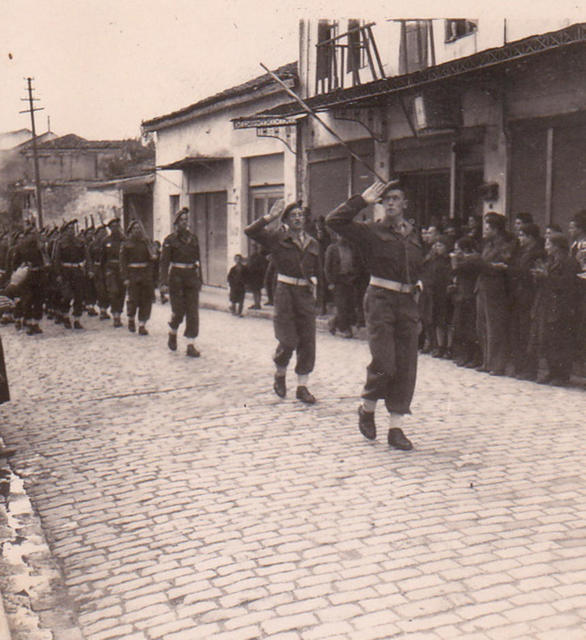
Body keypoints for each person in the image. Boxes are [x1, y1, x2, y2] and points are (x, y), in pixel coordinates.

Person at [326, 180, 424, 451]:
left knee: (406, 366)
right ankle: (367, 408)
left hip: (407, 303)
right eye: (386, 200)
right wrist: (362, 201)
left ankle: (396, 428)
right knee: (385, 362)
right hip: (380, 300)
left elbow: (421, 264)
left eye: (395, 198)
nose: (390, 203)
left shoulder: (416, 235)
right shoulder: (370, 232)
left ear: (405, 203)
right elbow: (334, 222)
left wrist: (419, 284)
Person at [245, 200, 320, 404]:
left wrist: (316, 283)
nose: (298, 218)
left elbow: (317, 269)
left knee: (308, 341)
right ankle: (280, 374)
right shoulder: (277, 238)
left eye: (300, 215)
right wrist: (269, 217)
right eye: (293, 215)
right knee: (287, 340)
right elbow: (250, 231)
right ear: (286, 220)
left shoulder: (312, 243)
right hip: (285, 292)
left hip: (305, 294)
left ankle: (302, 386)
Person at [474, 212, 514, 376]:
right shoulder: (488, 244)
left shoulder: (505, 245)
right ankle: (487, 361)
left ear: (496, 229)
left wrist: (480, 263)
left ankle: (497, 364)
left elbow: (501, 266)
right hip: (483, 287)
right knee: (482, 325)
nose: (484, 230)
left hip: (495, 289)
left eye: (487, 227)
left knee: (494, 327)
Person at [159, 208, 202, 357]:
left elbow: (198, 260)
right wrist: (163, 283)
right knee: (178, 311)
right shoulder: (170, 240)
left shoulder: (194, 239)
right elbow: (164, 263)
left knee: (193, 312)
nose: (185, 223)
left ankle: (190, 344)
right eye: (182, 220)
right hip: (176, 278)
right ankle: (173, 331)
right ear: (176, 223)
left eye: (186, 220)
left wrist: (199, 279)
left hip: (191, 277)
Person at [120, 220, 156, 335]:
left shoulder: (146, 242)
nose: (137, 230)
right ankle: (131, 318)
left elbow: (152, 259)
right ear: (130, 231)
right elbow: (123, 262)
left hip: (145, 274)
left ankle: (142, 325)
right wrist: (125, 277)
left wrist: (154, 255)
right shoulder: (126, 244)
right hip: (132, 274)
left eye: (139, 228)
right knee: (133, 299)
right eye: (135, 228)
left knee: (146, 300)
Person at [54, 219, 88, 330]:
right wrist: (58, 274)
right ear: (64, 231)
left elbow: (86, 257)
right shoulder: (60, 243)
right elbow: (56, 260)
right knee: (66, 296)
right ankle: (65, 316)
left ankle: (77, 319)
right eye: (69, 229)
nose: (71, 231)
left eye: (73, 229)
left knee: (79, 296)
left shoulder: (80, 242)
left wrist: (86, 268)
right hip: (65, 272)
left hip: (77, 271)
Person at [324, 233, 358, 339]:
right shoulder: (332, 248)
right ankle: (344, 329)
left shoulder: (351, 248)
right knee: (341, 305)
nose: (343, 237)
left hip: (350, 279)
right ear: (337, 236)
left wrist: (354, 275)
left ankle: (333, 322)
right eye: (340, 235)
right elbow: (327, 267)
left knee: (350, 305)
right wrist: (330, 282)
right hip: (338, 280)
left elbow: (356, 263)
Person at [101, 218, 126, 328]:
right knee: (113, 292)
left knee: (121, 292)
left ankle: (119, 314)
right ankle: (115, 316)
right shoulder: (106, 241)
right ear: (110, 228)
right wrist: (103, 272)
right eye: (113, 227)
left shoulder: (124, 240)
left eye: (117, 226)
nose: (115, 228)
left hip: (122, 269)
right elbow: (103, 258)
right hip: (110, 269)